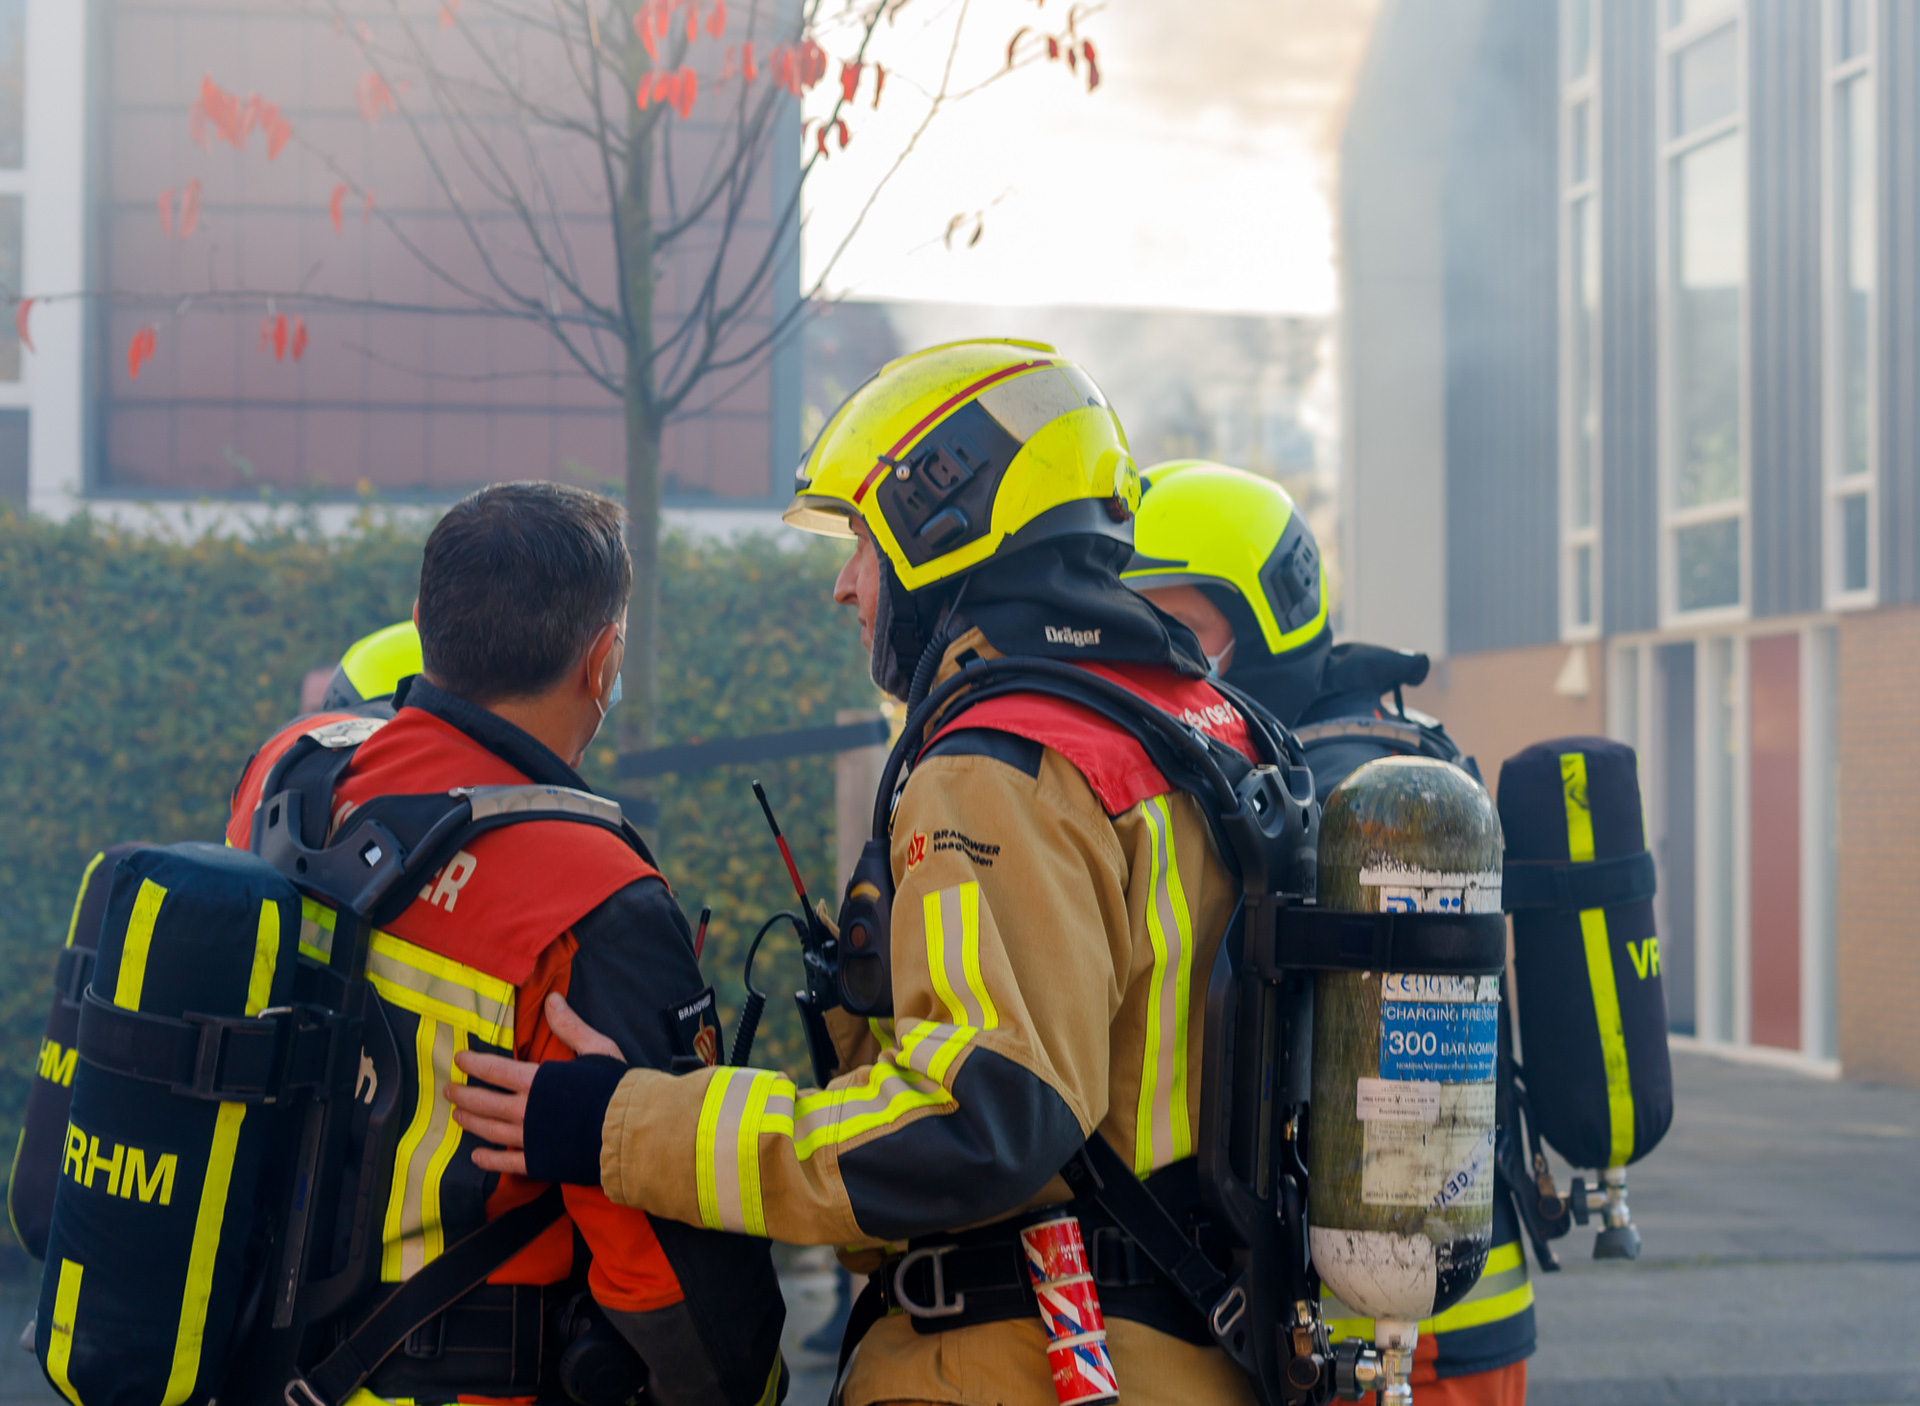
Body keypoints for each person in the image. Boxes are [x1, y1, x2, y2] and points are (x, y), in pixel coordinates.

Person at [448, 342, 1268, 1406]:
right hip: (1188, 1356)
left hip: (1020, 1368)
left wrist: (621, 1120)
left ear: (946, 532)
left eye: (865, 547)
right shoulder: (1197, 728)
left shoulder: (1001, 765)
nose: (846, 585)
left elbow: (973, 1121)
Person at [224, 482, 786, 1406]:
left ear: (424, 624)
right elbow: (666, 1273)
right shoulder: (595, 896)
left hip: (259, 1367)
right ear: (602, 661)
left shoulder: (289, 784)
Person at [1122, 461, 1534, 1406]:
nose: (1152, 655)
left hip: (1401, 1315)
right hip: (1379, 1302)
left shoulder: (1348, 805)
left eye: (1181, 626)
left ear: (1274, 618)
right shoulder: (1319, 766)